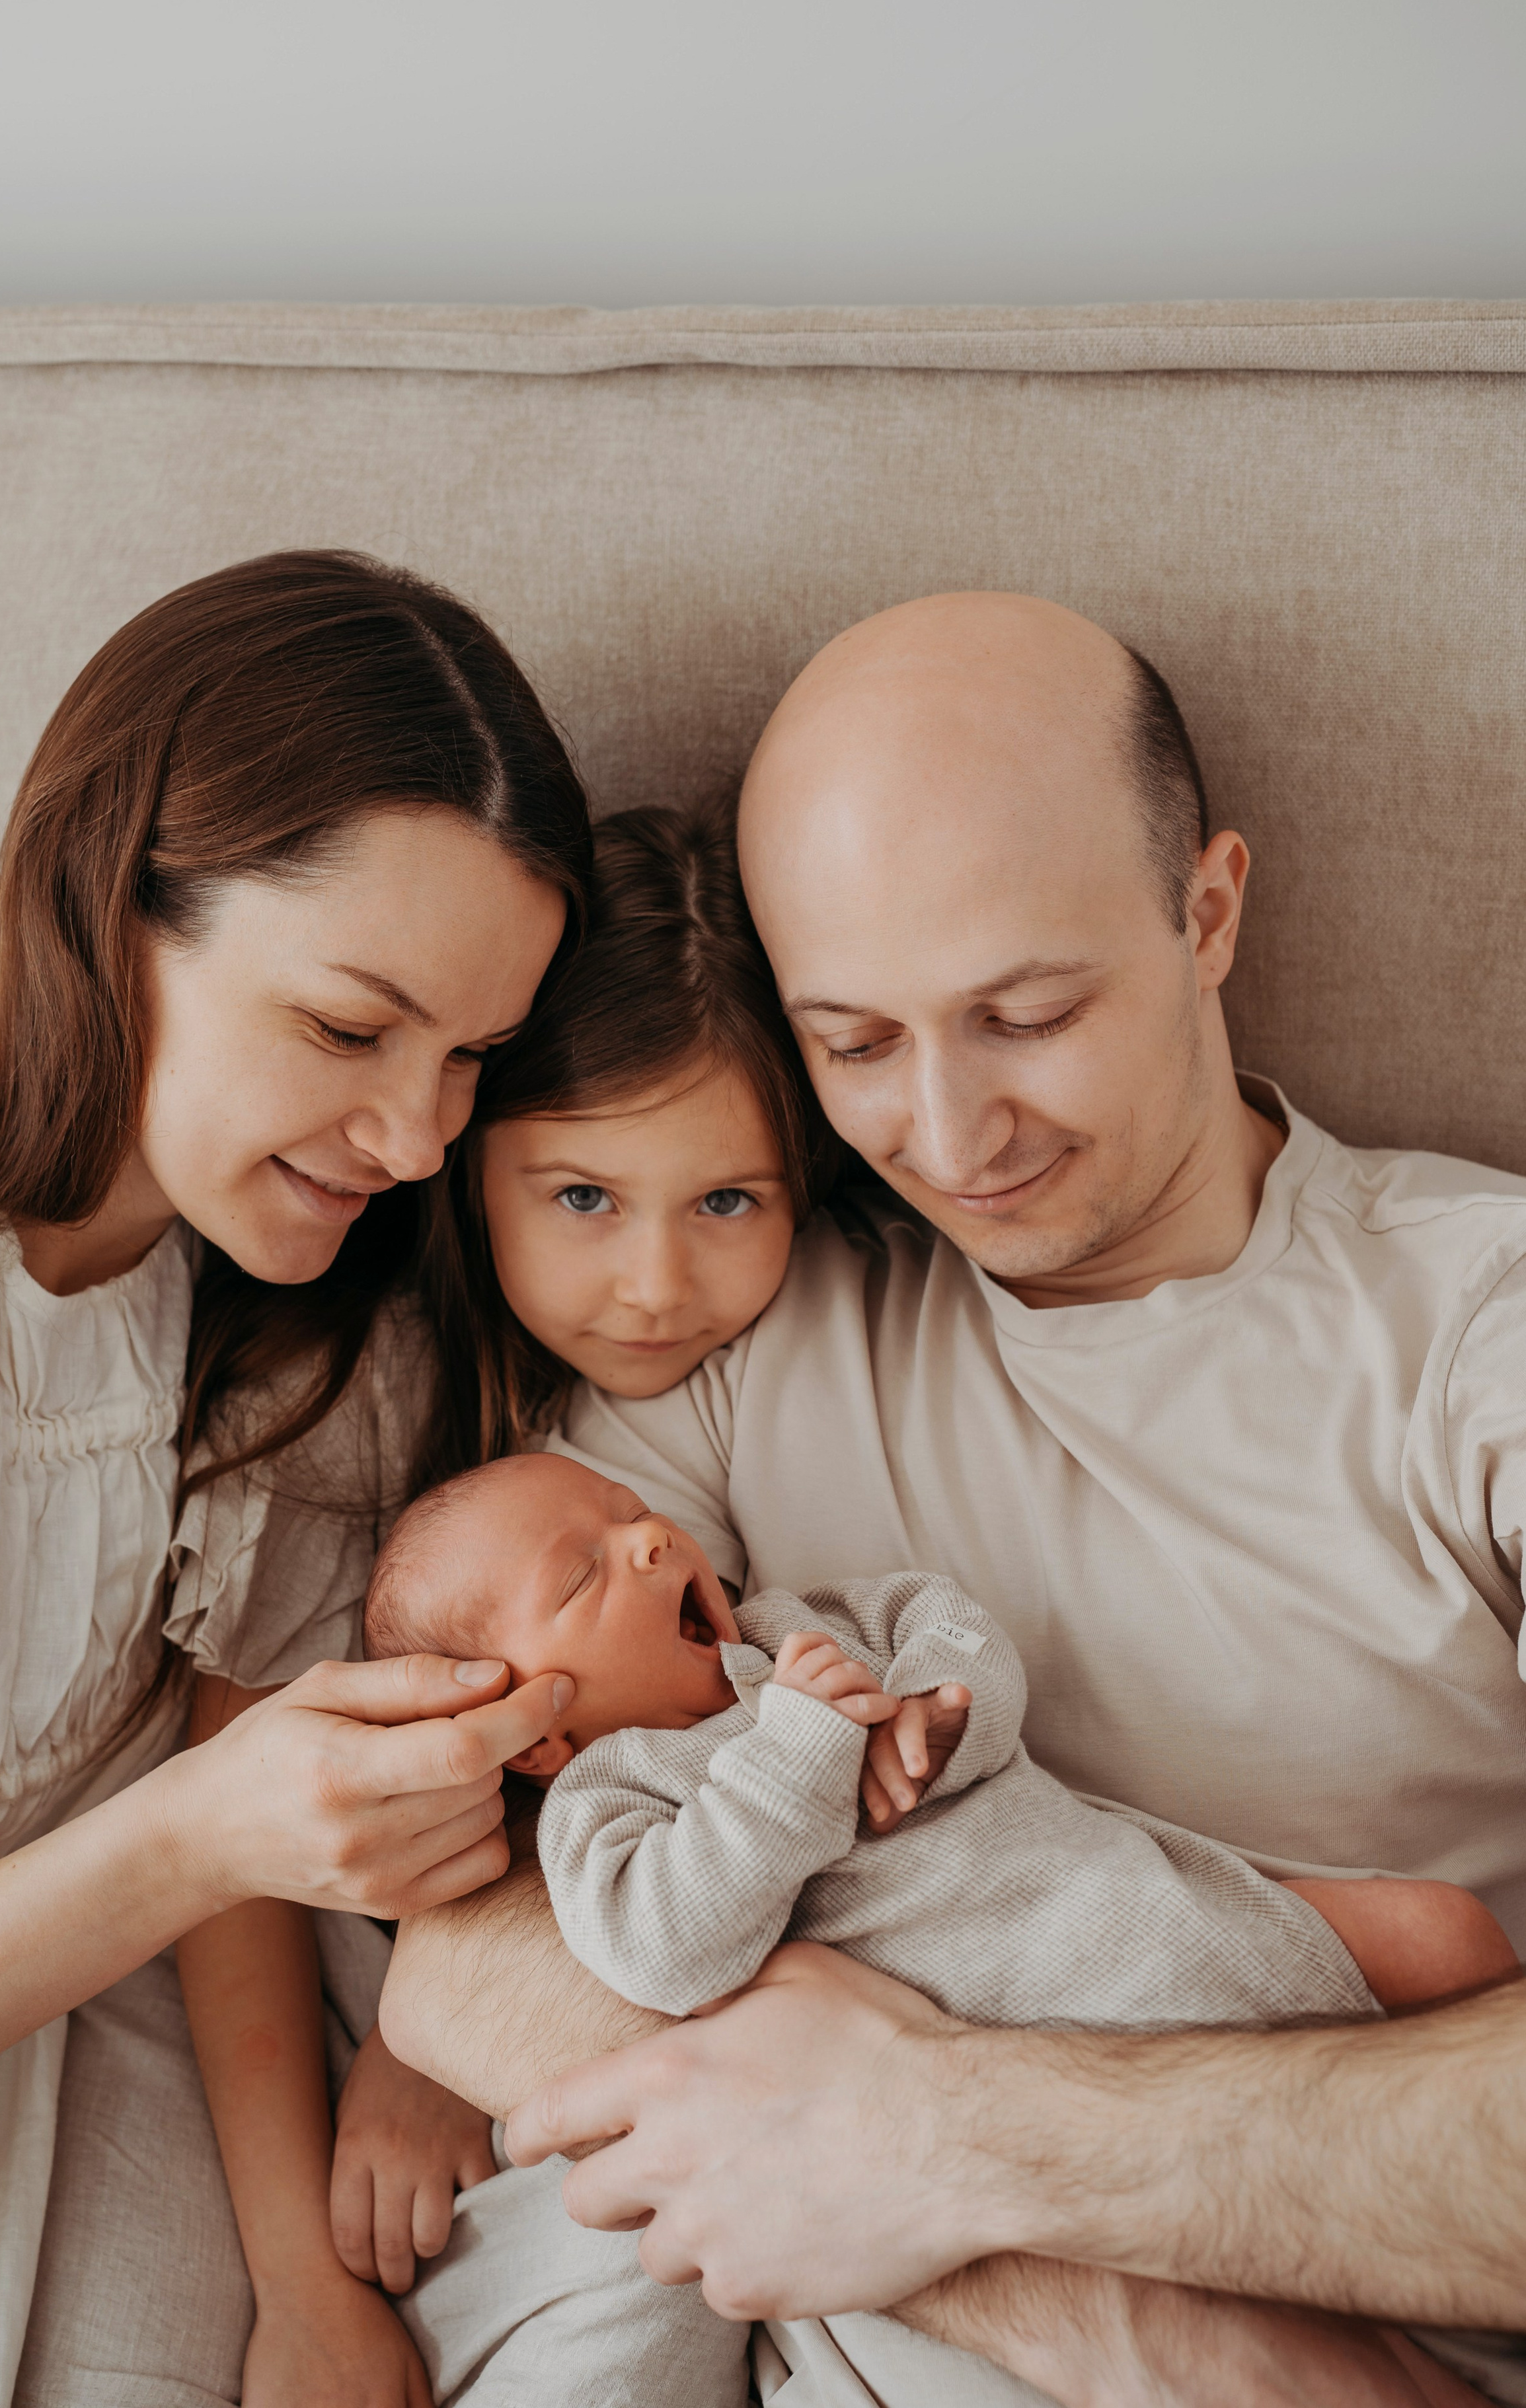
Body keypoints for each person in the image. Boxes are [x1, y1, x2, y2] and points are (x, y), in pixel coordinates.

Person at [381, 593, 1526, 2408]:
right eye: (853, 1045)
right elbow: (464, 1956)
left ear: (1210, 910)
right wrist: (1162, 2324)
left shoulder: (1478, 1331)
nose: (951, 1132)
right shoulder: (739, 1338)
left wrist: (954, 2133)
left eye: (1028, 1013)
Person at [0, 548, 597, 2408]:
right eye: (350, 1028)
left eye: (472, 1060)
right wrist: (196, 1833)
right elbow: (217, 1815)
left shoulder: (294, 1318)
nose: (419, 1135)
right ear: (111, 907)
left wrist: (303, 2288)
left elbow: (239, 1756)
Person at [19, 799, 825, 2405]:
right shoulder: (360, 1391)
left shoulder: (792, 1382)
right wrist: (303, 2274)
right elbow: (228, 1832)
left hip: (594, 1987)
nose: (656, 1285)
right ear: (466, 1168)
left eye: (727, 1201)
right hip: (293, 1971)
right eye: (581, 1198)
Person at [367, 1450, 1507, 2404]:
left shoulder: (801, 1624)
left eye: (631, 1513)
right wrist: (800, 1748)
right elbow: (666, 1948)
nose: (653, 1542)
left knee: (1439, 1942)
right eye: (584, 1575)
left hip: (1157, 1918)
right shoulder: (608, 1800)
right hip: (1042, 2026)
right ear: (533, 1735)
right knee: (1269, 2268)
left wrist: (942, 1711)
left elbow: (947, 1623)